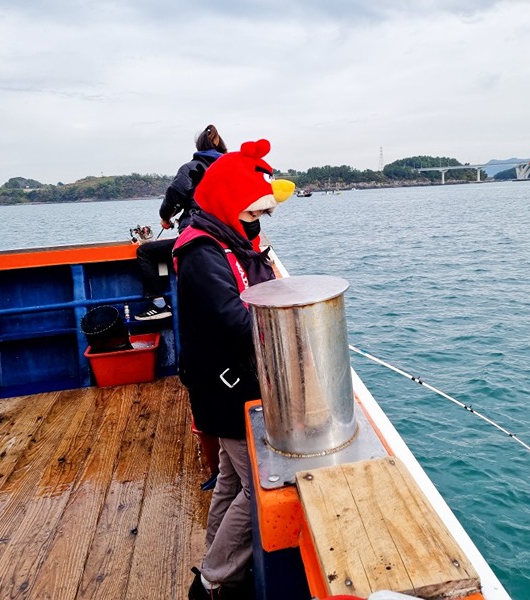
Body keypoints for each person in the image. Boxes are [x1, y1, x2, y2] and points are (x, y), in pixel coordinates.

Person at [172, 139, 294, 600]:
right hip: (226, 386)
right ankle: (214, 579)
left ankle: (212, 558)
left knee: (228, 476)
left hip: (230, 380)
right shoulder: (203, 253)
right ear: (228, 203)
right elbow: (233, 319)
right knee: (254, 487)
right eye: (251, 215)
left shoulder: (230, 240)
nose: (256, 223)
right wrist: (291, 325)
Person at [133, 125, 228, 321]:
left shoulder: (191, 168)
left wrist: (165, 219)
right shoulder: (231, 169)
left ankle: (159, 305)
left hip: (197, 237)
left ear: (199, 146)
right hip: (228, 239)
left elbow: (174, 196)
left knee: (145, 252)